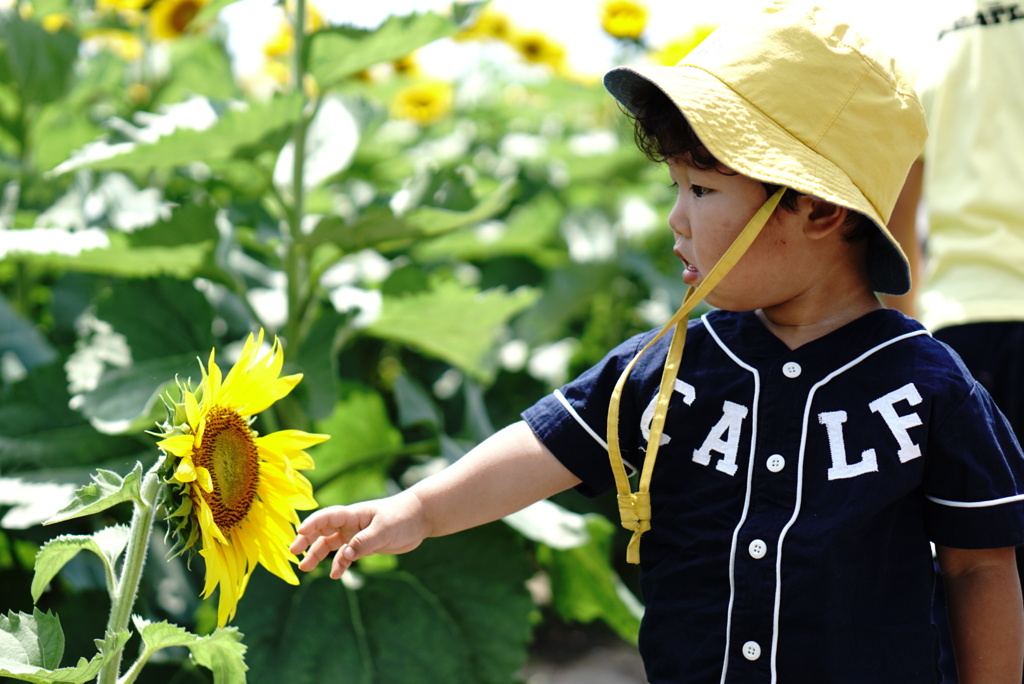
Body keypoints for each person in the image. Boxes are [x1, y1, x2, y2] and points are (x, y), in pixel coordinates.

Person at [291, 3, 1024, 682]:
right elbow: (543, 447)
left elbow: (978, 568)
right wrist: (417, 511)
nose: (676, 219)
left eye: (701, 191)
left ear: (815, 207)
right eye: (675, 187)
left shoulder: (927, 388)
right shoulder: (667, 368)